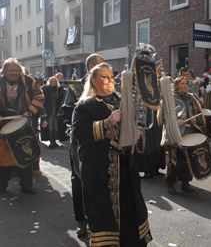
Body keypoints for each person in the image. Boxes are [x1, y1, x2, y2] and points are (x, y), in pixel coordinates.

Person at [72, 63, 152, 246]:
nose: (110, 80)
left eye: (111, 76)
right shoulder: (85, 105)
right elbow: (79, 133)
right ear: (93, 81)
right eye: (104, 76)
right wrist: (107, 122)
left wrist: (137, 133)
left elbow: (134, 125)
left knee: (131, 207)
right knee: (104, 212)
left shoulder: (121, 100)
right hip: (100, 171)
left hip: (126, 168)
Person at [61, 53, 105, 237]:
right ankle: (82, 220)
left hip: (103, 141)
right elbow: (66, 111)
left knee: (102, 180)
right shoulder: (76, 87)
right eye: (96, 64)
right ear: (88, 68)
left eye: (102, 64)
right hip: (81, 142)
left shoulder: (110, 87)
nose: (100, 67)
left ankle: (101, 219)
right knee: (80, 180)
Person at [0, 58, 44, 195]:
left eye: (17, 70)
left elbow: (39, 96)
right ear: (4, 70)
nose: (15, 72)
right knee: (3, 158)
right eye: (11, 70)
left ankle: (27, 185)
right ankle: (1, 186)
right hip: (3, 124)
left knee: (26, 154)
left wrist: (29, 111)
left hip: (24, 123)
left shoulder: (29, 81)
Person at [163, 76, 206, 195]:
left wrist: (195, 121)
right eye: (182, 83)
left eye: (186, 83)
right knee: (175, 160)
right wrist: (175, 121)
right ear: (176, 85)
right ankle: (170, 183)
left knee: (188, 159)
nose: (184, 85)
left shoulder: (191, 97)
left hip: (189, 131)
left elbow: (198, 112)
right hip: (175, 133)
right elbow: (162, 116)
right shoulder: (170, 98)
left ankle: (185, 183)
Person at [41, 76, 65, 148]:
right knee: (50, 126)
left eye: (54, 81)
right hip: (48, 110)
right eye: (51, 81)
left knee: (56, 127)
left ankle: (55, 141)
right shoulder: (45, 89)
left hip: (56, 111)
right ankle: (51, 142)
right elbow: (43, 99)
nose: (53, 82)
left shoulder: (58, 89)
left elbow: (60, 99)